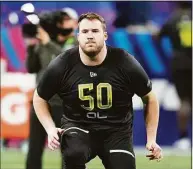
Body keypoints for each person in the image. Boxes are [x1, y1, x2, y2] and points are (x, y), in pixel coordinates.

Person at [33, 12, 163, 169]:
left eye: (95, 31)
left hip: (116, 132)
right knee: (73, 153)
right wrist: (50, 128)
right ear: (78, 36)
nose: (90, 36)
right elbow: (39, 97)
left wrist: (151, 139)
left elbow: (150, 98)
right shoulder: (62, 63)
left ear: (105, 35)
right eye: (85, 31)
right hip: (78, 126)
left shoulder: (124, 62)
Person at [25, 8, 78, 169]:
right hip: (41, 101)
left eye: (66, 20)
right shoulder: (45, 41)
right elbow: (31, 67)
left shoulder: (76, 43)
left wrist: (48, 42)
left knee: (68, 148)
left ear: (75, 23)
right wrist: (31, 46)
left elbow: (67, 64)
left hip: (64, 104)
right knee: (34, 146)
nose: (62, 23)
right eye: (60, 20)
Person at [156, 1, 192, 150]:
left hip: (180, 64)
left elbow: (157, 36)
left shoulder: (173, 18)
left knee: (184, 101)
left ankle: (183, 139)